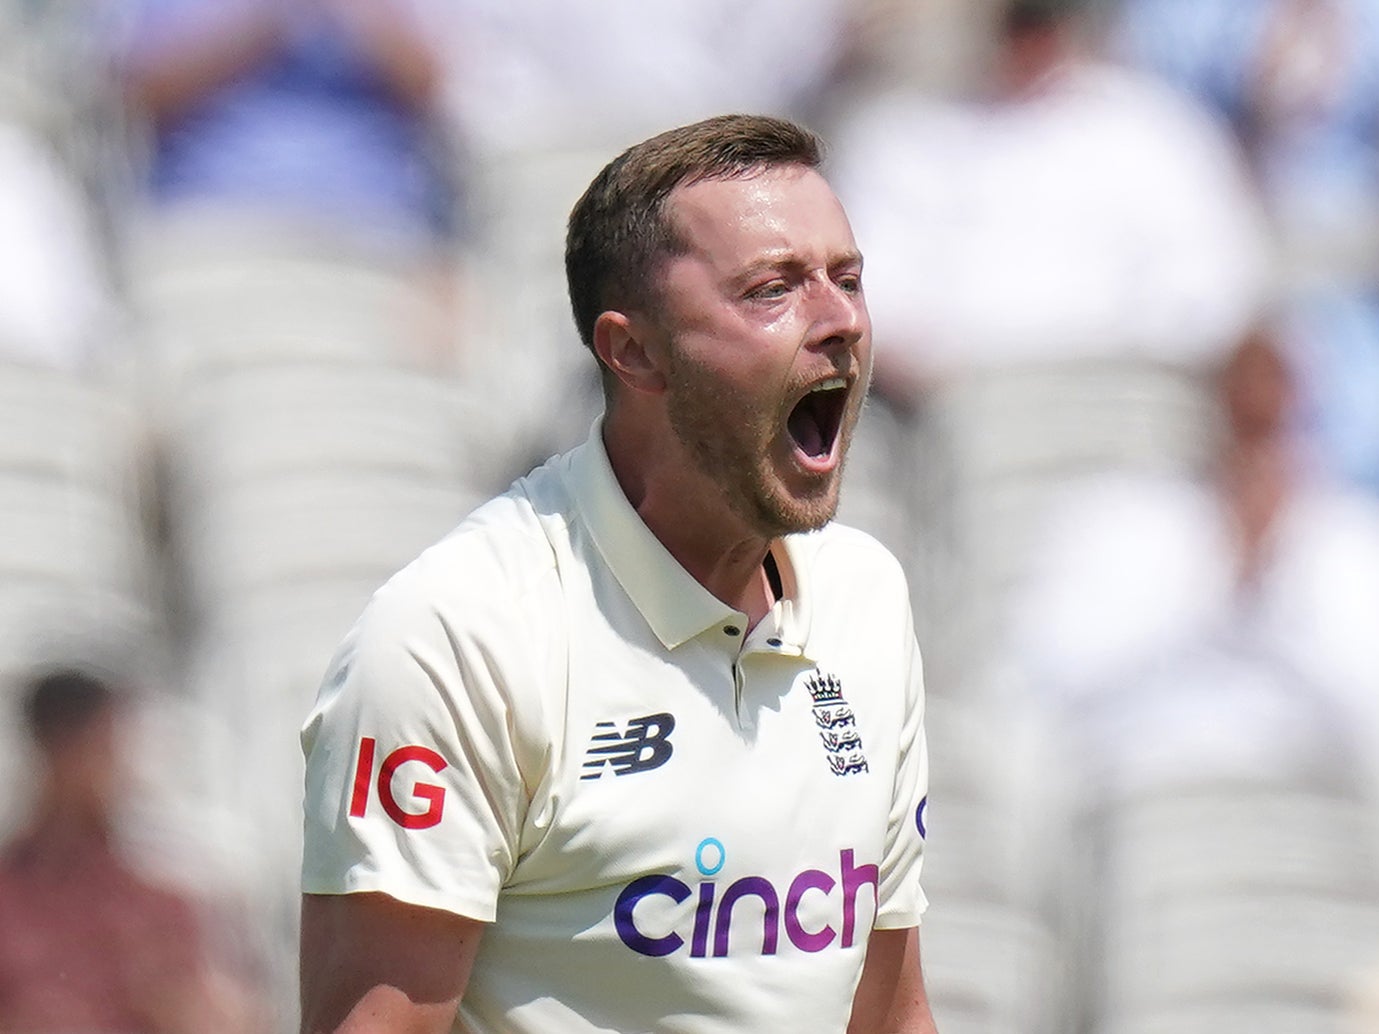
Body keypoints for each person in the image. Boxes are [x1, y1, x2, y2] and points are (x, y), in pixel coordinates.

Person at [299, 113, 937, 1033]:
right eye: (771, 289)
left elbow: (887, 1012)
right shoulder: (456, 636)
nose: (839, 320)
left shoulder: (864, 595)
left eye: (847, 279)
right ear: (631, 351)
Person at [0, 666, 255, 1032]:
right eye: (103, 747)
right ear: (56, 752)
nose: (118, 769)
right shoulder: (11, 899)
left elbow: (228, 1016)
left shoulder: (157, 898)